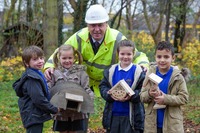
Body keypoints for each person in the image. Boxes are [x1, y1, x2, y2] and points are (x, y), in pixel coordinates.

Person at [44, 4, 149, 97]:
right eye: (93, 25)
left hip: (109, 87)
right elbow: (60, 51)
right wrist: (49, 66)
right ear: (87, 25)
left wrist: (143, 65)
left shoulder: (117, 38)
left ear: (106, 24)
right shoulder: (79, 37)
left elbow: (137, 55)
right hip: (84, 86)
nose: (97, 29)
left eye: (100, 25)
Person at [140, 41, 189, 133]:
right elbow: (142, 97)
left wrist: (165, 99)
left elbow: (184, 98)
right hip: (152, 125)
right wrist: (150, 93)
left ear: (173, 58)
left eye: (166, 57)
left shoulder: (178, 77)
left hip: (172, 125)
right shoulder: (149, 74)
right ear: (155, 57)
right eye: (159, 57)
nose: (162, 60)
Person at [99, 40, 145, 133]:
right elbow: (103, 86)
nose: (125, 57)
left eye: (129, 54)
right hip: (113, 115)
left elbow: (143, 91)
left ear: (133, 54)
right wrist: (108, 94)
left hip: (132, 117)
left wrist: (132, 96)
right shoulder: (110, 71)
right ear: (118, 54)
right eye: (122, 54)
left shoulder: (138, 72)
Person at [12, 45, 60, 133]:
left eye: (41, 58)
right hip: (32, 115)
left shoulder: (36, 73)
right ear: (26, 63)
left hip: (34, 114)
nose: (40, 61)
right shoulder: (32, 79)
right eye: (35, 59)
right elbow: (38, 99)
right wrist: (54, 109)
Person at [48, 44, 94, 133]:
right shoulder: (54, 72)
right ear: (59, 58)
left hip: (77, 112)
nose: (67, 61)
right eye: (64, 58)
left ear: (74, 58)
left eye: (70, 58)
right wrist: (52, 105)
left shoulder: (81, 73)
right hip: (61, 111)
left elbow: (86, 89)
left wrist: (90, 99)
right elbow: (49, 90)